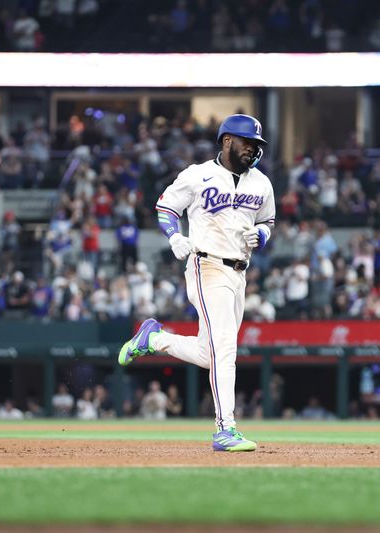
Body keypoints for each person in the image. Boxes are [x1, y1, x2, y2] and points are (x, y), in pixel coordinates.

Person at [117, 114, 275, 452]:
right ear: (227, 140)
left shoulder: (261, 183)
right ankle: (225, 429)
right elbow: (165, 208)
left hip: (239, 273)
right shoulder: (198, 174)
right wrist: (174, 237)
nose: (253, 148)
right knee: (226, 349)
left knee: (210, 353)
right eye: (247, 142)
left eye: (257, 144)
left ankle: (154, 338)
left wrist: (261, 234)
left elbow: (268, 221)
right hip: (207, 265)